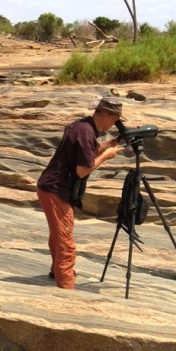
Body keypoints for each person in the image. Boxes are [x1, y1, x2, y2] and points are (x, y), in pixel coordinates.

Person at [37, 97, 125, 289]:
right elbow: (82, 170)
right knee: (66, 243)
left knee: (58, 233)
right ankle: (66, 287)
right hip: (55, 190)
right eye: (115, 119)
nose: (114, 124)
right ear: (108, 114)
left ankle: (56, 270)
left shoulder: (82, 126)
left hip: (50, 187)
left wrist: (110, 144)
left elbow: (86, 152)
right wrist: (106, 156)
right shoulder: (86, 133)